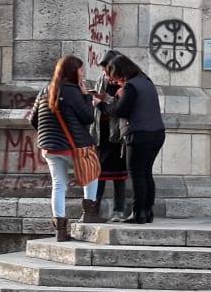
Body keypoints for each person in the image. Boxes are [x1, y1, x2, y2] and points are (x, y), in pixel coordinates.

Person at [30, 55, 104, 242]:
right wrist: (87, 96)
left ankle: (60, 231)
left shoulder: (46, 90)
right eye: (80, 70)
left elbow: (33, 118)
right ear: (73, 72)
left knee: (59, 185)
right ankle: (89, 213)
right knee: (92, 172)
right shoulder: (73, 92)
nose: (83, 73)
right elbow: (87, 117)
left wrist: (50, 135)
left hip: (49, 148)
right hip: (73, 146)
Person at [95, 56, 165, 224]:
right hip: (157, 133)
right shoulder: (145, 81)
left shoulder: (131, 86)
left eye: (113, 75)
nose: (112, 80)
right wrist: (122, 92)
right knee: (146, 172)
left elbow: (121, 111)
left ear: (121, 72)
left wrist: (100, 104)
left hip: (139, 134)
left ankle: (137, 213)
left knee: (136, 174)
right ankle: (147, 212)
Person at [93, 50, 129, 221]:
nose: (104, 73)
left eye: (106, 69)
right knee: (98, 173)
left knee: (119, 175)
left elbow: (120, 107)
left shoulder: (123, 83)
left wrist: (104, 102)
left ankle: (119, 209)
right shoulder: (101, 80)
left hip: (117, 134)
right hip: (101, 133)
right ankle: (94, 208)